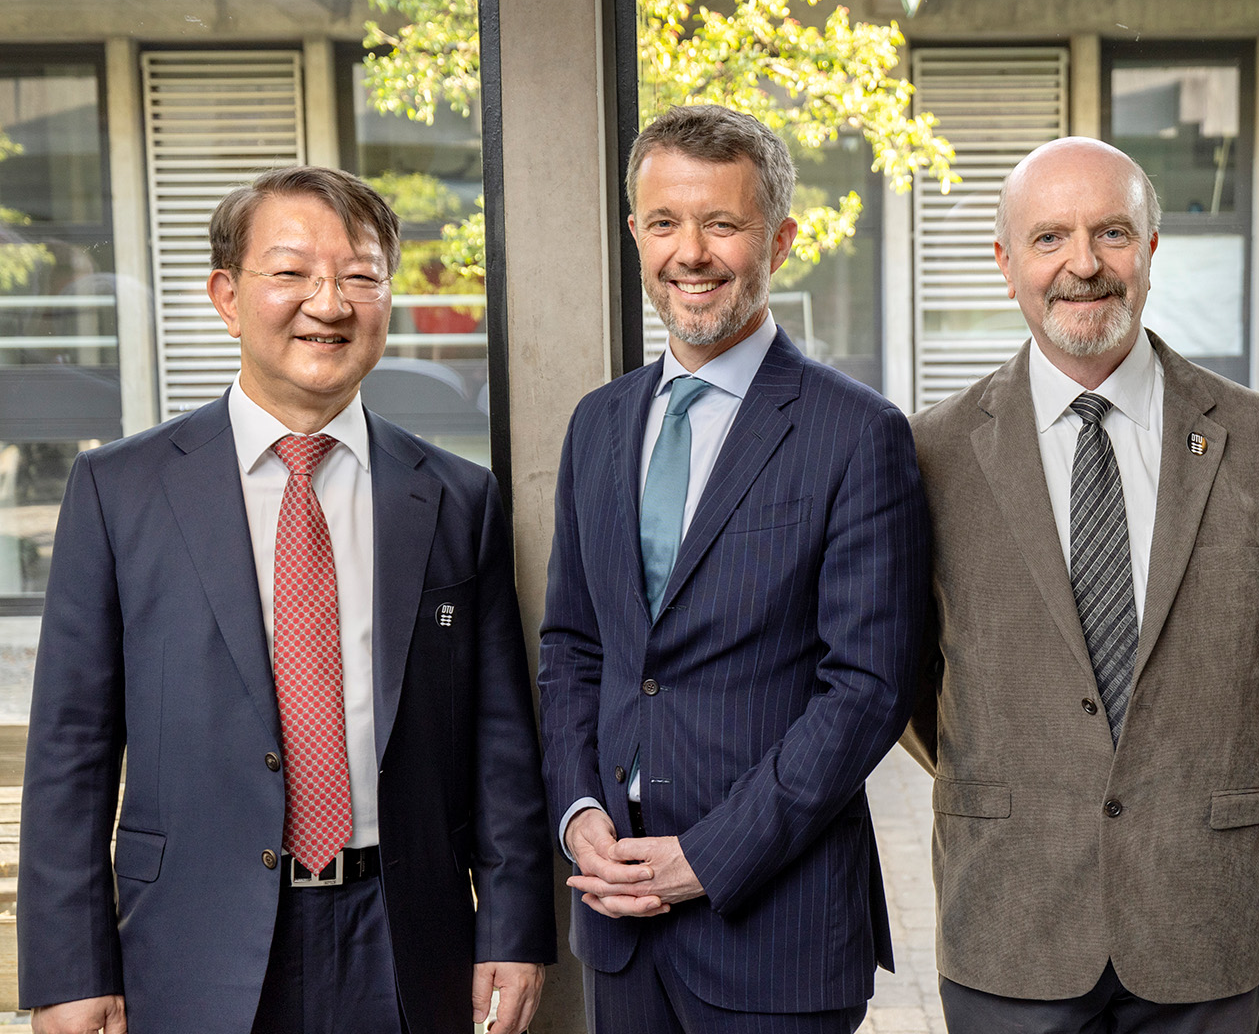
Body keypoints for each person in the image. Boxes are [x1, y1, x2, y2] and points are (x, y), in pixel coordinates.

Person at [19, 166, 554, 1034]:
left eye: (360, 275)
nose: (329, 303)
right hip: (189, 944)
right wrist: (68, 971)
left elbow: (500, 742)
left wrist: (516, 927)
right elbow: (70, 752)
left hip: (405, 938)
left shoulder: (457, 497)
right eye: (292, 272)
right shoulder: (120, 488)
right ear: (227, 297)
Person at [902, 136, 1259, 1033]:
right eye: (1050, 237)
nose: (1083, 266)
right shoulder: (930, 455)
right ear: (1005, 260)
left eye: (1113, 234)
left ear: (1153, 249)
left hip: (1199, 907)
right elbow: (907, 678)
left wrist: (1181, 761)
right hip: (1009, 908)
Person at [539, 104, 930, 1033]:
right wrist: (578, 811)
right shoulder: (599, 423)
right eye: (666, 222)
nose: (692, 252)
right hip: (617, 922)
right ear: (636, 233)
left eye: (723, 223)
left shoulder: (857, 433)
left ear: (780, 240)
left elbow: (869, 688)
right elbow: (572, 645)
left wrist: (710, 856)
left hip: (774, 928)